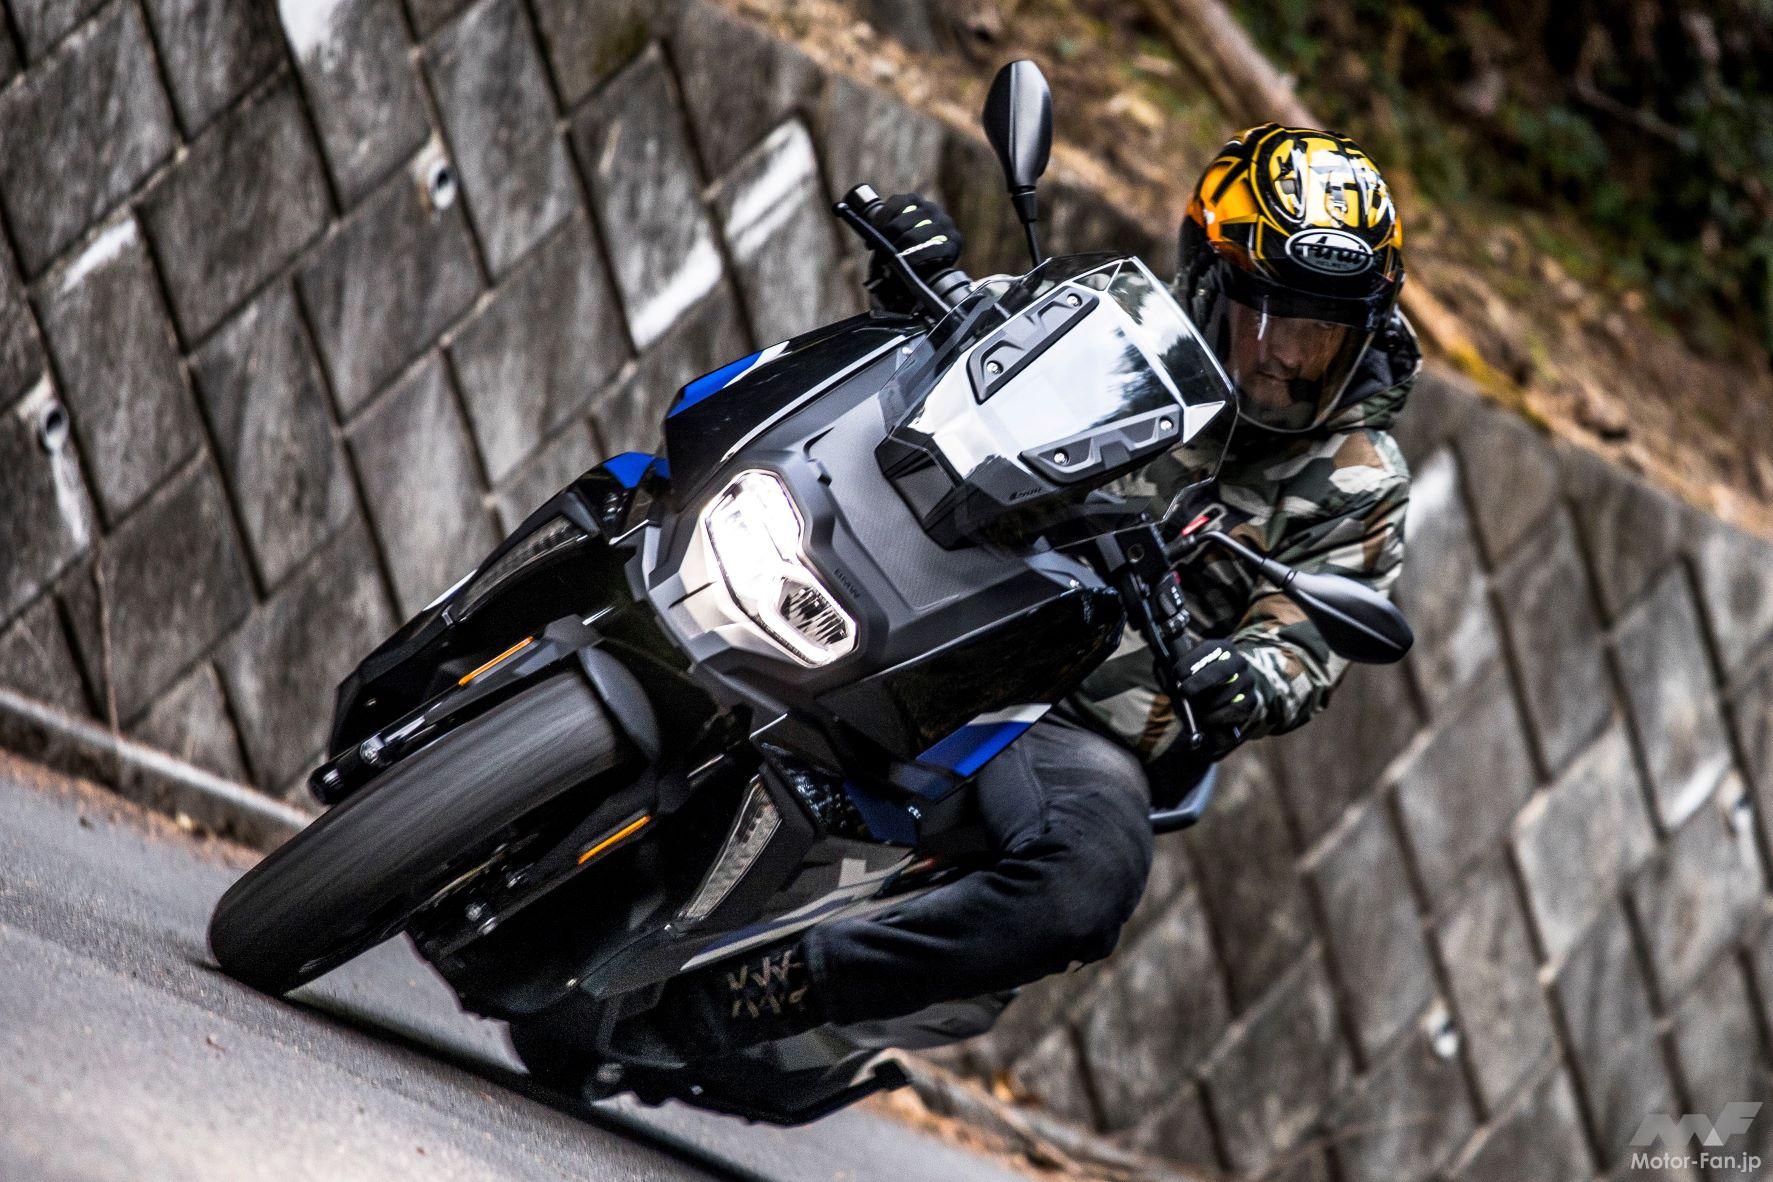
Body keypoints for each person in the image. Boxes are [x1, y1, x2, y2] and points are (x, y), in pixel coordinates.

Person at [627, 125, 1418, 1058]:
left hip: (1061, 712)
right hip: (918, 587)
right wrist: (918, 282)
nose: (1285, 357)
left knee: (1087, 882)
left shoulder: (1358, 477)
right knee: (656, 499)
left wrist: (1243, 679)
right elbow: (972, 344)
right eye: (1269, 321)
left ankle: (772, 990)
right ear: (1208, 283)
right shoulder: (1115, 324)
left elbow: (1302, 643)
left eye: (1320, 335)